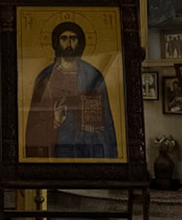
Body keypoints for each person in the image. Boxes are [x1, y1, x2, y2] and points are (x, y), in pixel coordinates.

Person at [24, 21, 117, 158]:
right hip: (58, 146)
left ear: (80, 42)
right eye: (64, 38)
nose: (68, 44)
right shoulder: (45, 78)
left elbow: (105, 120)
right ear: (56, 43)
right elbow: (35, 123)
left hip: (86, 146)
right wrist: (55, 121)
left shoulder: (93, 76)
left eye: (73, 38)